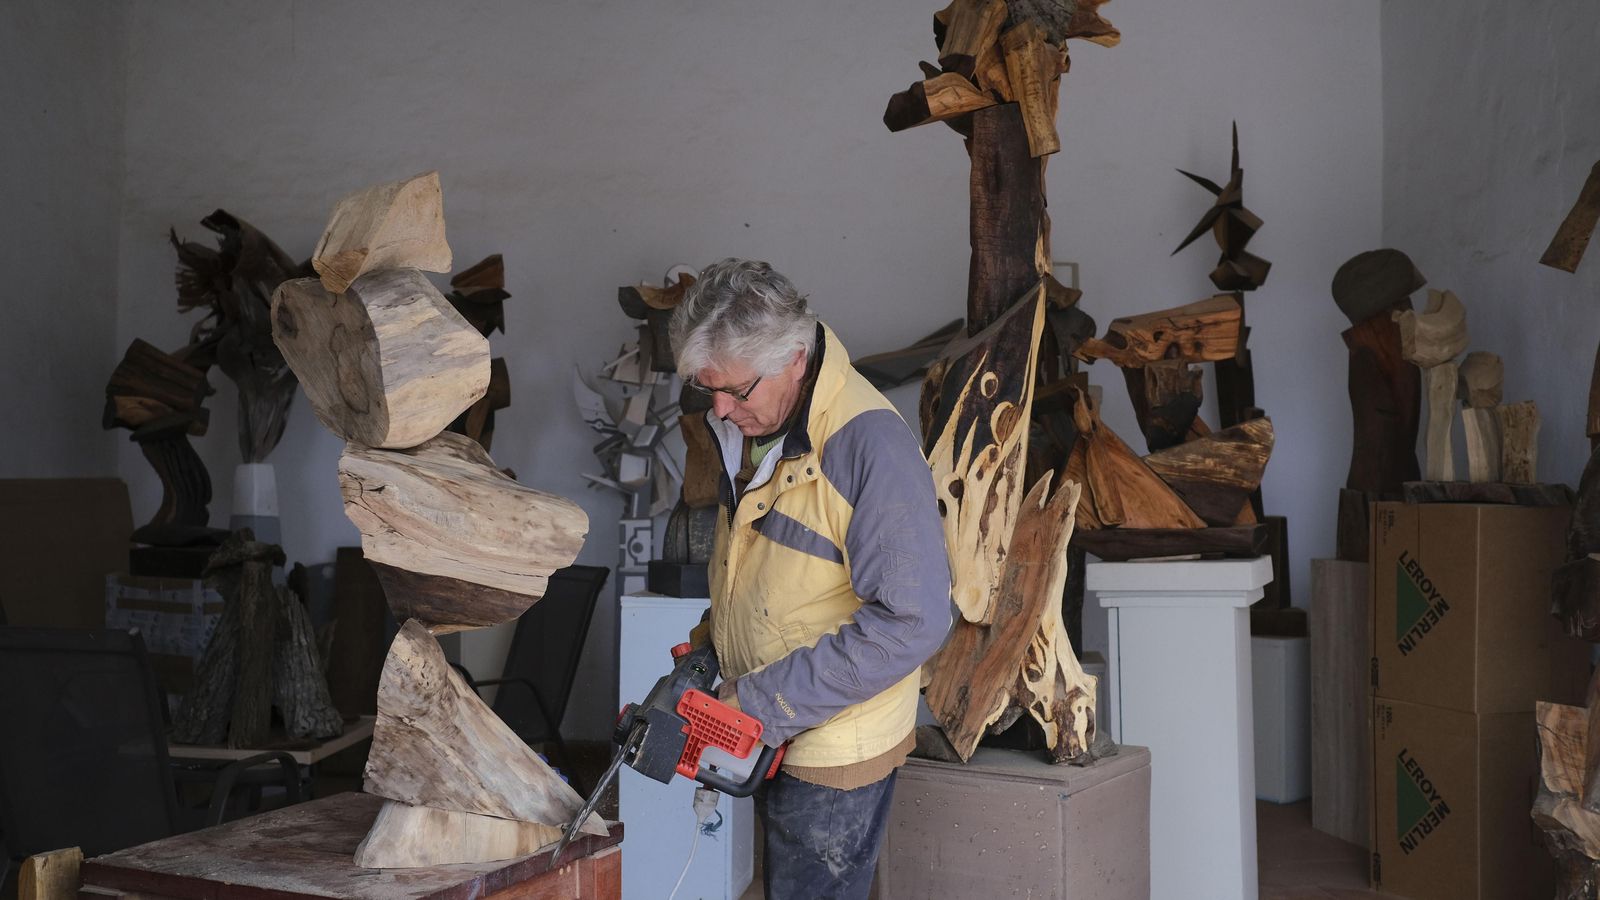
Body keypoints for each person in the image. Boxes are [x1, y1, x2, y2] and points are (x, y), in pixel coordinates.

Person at [670, 258, 954, 899]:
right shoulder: (749, 417)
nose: (719, 408)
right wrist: (713, 643)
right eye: (705, 388)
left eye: (736, 391)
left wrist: (765, 701)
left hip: (831, 741)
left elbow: (913, 620)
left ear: (795, 358)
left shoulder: (867, 445)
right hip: (767, 714)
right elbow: (763, 555)